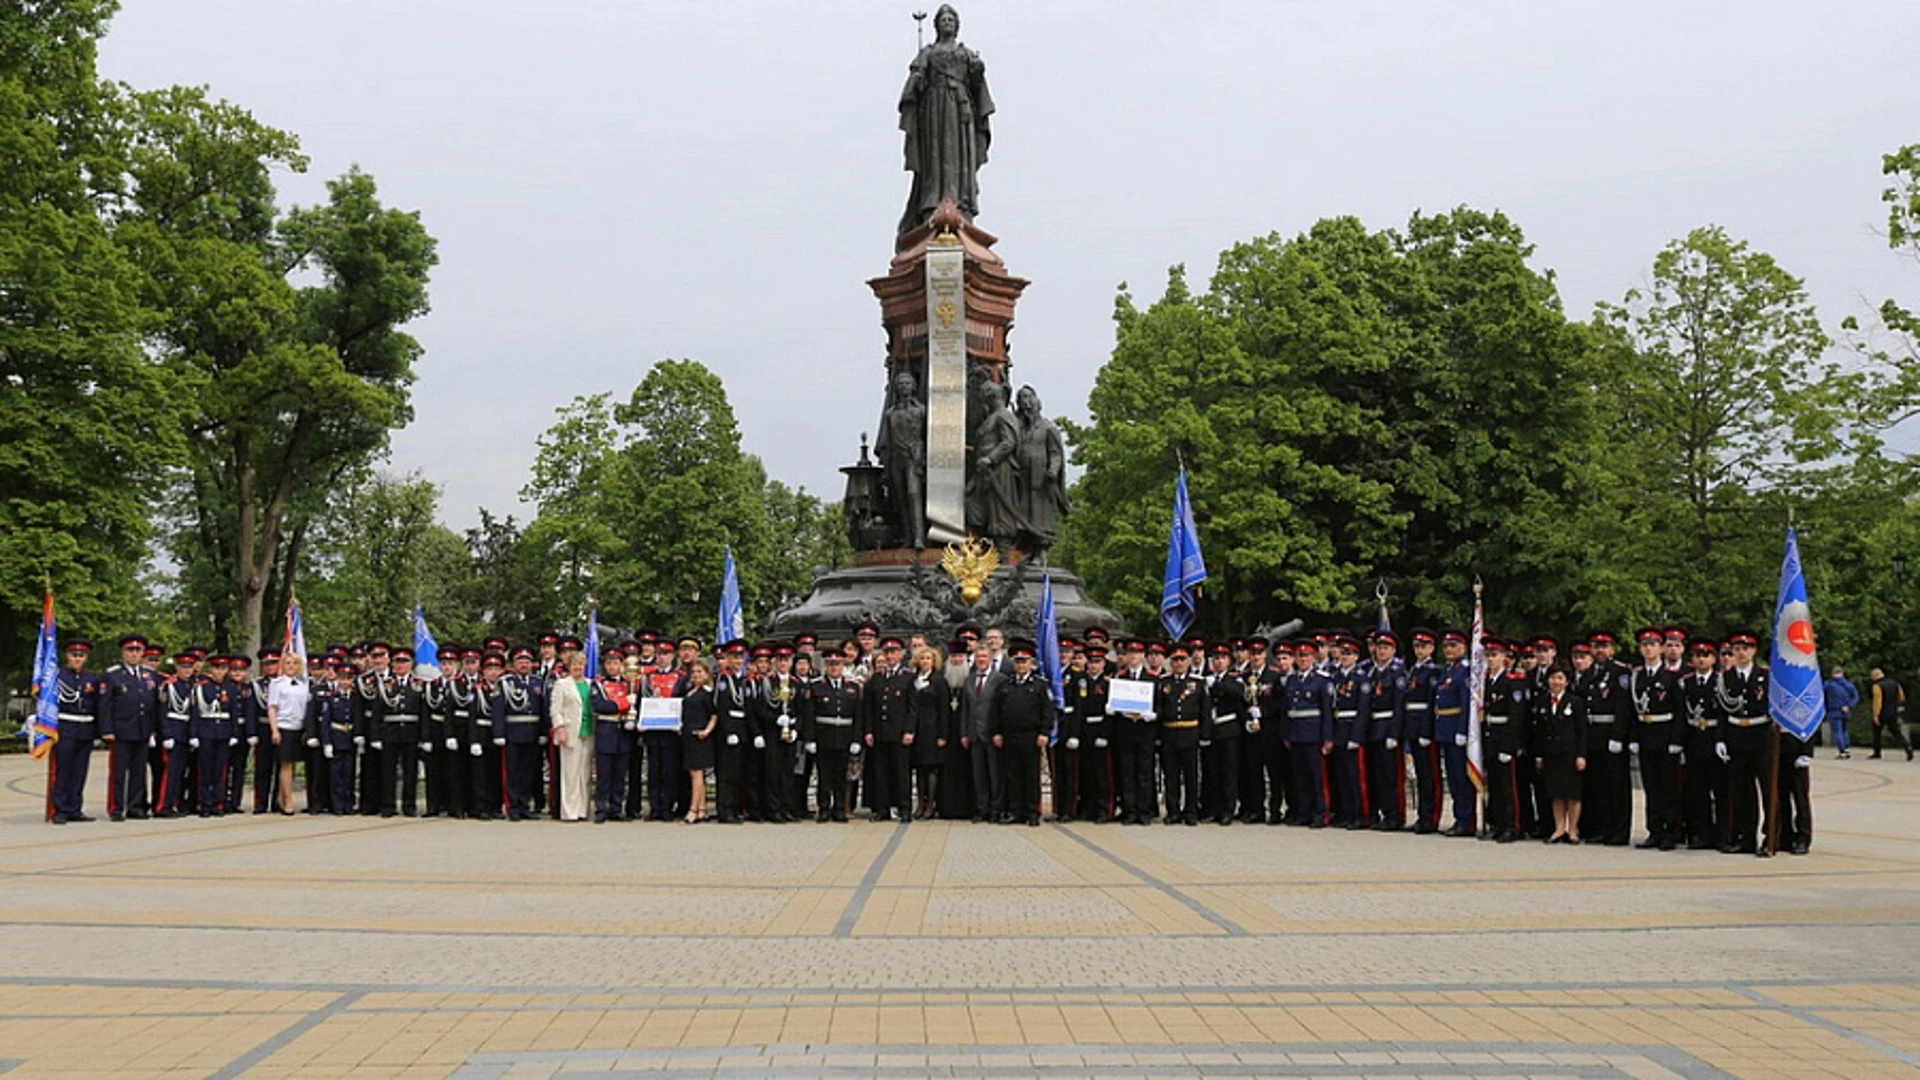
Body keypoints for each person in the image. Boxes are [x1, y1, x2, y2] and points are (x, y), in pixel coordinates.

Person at [1714, 630, 1774, 856]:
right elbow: (1721, 711)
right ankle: (1745, 837)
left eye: (1745, 649)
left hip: (1760, 736)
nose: (1741, 653)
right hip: (1736, 735)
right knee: (1741, 791)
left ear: (1754, 651)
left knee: (1768, 789)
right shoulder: (1724, 678)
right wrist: (1720, 739)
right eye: (1736, 649)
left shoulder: (1765, 676)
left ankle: (1770, 837)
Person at [1630, 627, 1683, 851]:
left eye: (1653, 644)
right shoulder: (1636, 676)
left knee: (1667, 787)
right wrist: (1632, 737)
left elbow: (1680, 711)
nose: (1648, 648)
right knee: (1650, 786)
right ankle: (1654, 830)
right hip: (1645, 733)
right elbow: (1632, 710)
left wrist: (1676, 740)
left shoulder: (1672, 677)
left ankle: (1670, 832)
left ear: (1661, 648)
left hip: (1665, 734)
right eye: (1644, 645)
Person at [990, 640, 1054, 827]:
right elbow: (995, 711)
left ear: (1031, 663)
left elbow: (1047, 711)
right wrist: (996, 732)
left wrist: (1044, 732)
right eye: (1018, 661)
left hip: (1031, 736)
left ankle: (1032, 812)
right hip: (1009, 736)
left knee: (1031, 775)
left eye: (1024, 661)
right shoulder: (1005, 684)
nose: (1021, 665)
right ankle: (1015, 811)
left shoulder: (1040, 685)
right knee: (1012, 775)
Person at [859, 636, 915, 822]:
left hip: (899, 733)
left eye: (894, 652)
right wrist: (868, 731)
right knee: (880, 773)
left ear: (901, 655)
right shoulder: (876, 679)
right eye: (887, 653)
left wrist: (909, 730)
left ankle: (904, 808)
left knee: (901, 773)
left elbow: (911, 708)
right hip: (879, 732)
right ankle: (882, 808)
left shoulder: (908, 678)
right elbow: (868, 708)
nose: (890, 656)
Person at [1531, 664, 1588, 844]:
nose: (1556, 682)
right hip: (1551, 753)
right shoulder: (1542, 702)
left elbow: (1583, 731)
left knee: (1572, 794)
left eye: (1560, 678)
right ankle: (1559, 828)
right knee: (1556, 793)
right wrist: (1539, 755)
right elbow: (1538, 732)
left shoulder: (1575, 702)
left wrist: (1581, 755)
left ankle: (1573, 830)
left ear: (1567, 682)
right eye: (1553, 678)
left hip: (1570, 754)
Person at [50, 638, 103, 824]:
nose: (77, 659)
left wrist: (98, 732)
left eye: (81, 655)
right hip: (65, 727)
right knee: (64, 770)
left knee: (80, 771)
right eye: (74, 655)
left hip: (86, 728)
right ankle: (61, 809)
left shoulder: (93, 678)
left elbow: (98, 706)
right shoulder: (57, 676)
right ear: (67, 656)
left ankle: (75, 808)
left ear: (86, 657)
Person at [547, 650, 601, 823]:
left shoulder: (591, 683)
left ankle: (583, 809)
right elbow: (555, 710)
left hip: (588, 730)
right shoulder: (562, 684)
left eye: (581, 664)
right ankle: (569, 811)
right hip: (570, 732)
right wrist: (560, 729)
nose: (578, 667)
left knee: (585, 773)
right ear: (569, 667)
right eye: (575, 664)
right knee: (570, 773)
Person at [959, 642, 1004, 822]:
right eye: (978, 657)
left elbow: (1002, 709)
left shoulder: (1000, 679)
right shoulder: (970, 679)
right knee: (979, 776)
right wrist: (964, 733)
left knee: (995, 774)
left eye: (985, 657)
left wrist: (999, 732)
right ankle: (981, 809)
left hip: (992, 734)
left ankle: (996, 809)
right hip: (974, 734)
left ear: (991, 659)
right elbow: (965, 709)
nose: (981, 660)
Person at [907, 644, 952, 820]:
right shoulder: (913, 680)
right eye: (922, 658)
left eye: (928, 659)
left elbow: (944, 709)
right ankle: (920, 803)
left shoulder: (939, 681)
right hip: (917, 729)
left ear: (934, 662)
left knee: (931, 768)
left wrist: (943, 734)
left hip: (933, 729)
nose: (925, 661)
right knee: (919, 768)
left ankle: (931, 805)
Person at [266, 653, 310, 815]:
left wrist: (307, 729)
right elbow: (272, 708)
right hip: (284, 727)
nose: (291, 666)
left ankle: (282, 798)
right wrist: (274, 729)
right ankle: (289, 801)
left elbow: (307, 709)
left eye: (294, 663)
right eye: (287, 663)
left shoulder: (304, 685)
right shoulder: (277, 684)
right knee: (286, 765)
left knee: (294, 765)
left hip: (299, 728)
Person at [681, 659, 717, 824]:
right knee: (695, 774)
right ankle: (702, 809)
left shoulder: (708, 693)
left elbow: (714, 715)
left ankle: (693, 810)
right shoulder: (690, 690)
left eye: (700, 672)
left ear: (707, 674)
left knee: (697, 774)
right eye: (694, 672)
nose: (696, 675)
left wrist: (707, 731)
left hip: (700, 736)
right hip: (688, 735)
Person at [1868, 668, 1913, 760]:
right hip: (1893, 712)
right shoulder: (1895, 683)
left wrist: (1876, 715)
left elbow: (1878, 701)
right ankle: (1907, 747)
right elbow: (1901, 697)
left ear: (1875, 676)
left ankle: (1877, 752)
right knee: (1896, 732)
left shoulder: (1877, 686)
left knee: (1877, 732)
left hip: (1882, 712)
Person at [1822, 667, 1858, 759]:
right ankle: (1847, 748)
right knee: (1845, 730)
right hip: (1846, 711)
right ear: (1842, 673)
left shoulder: (1828, 685)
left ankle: (1842, 751)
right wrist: (1849, 706)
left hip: (1834, 710)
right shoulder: (1849, 685)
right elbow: (1855, 697)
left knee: (1838, 732)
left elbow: (1822, 696)